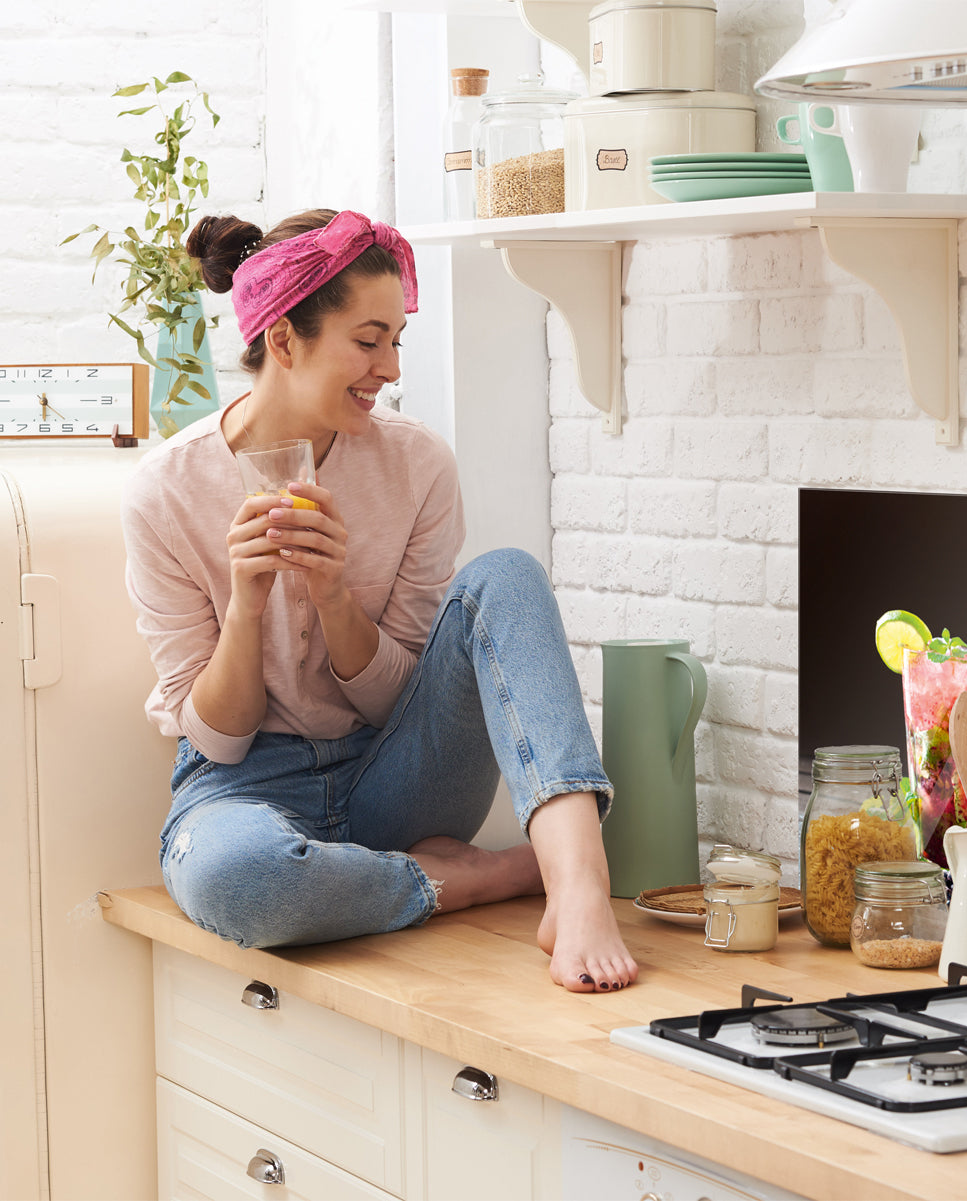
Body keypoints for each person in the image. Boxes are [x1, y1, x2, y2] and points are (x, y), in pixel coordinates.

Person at [120, 208, 637, 993]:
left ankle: (578, 884)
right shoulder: (166, 491)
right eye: (368, 341)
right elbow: (216, 742)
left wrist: (334, 597)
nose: (390, 368)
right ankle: (472, 878)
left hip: (394, 771)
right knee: (238, 882)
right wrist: (248, 606)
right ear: (286, 339)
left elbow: (401, 697)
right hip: (244, 788)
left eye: (397, 340)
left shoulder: (418, 463)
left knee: (506, 575)